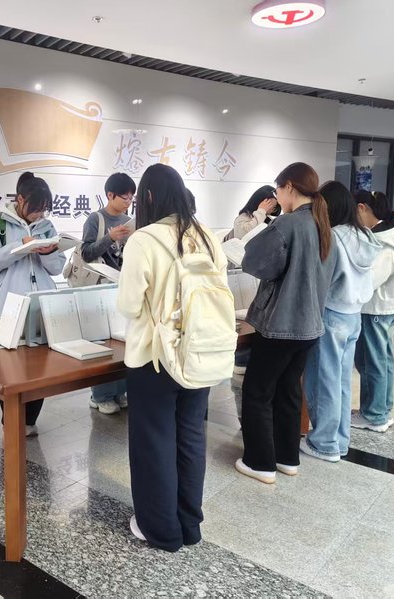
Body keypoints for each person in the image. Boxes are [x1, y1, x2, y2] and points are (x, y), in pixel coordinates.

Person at [117, 163, 228, 552]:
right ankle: (188, 526)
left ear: (148, 196)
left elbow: (129, 306)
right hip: (199, 351)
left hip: (155, 356)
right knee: (191, 436)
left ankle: (160, 530)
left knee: (154, 442)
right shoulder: (207, 235)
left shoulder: (143, 240)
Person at [235, 162, 335, 484]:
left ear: (289, 186)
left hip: (281, 324)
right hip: (310, 326)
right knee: (289, 391)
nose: (277, 196)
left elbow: (255, 262)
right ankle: (286, 457)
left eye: (278, 190)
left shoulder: (288, 224)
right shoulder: (323, 225)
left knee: (257, 392)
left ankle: (260, 463)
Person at [0, 172, 66, 436]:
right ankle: (11, 419)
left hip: (42, 305)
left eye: (44, 209)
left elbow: (57, 268)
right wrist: (19, 247)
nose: (39, 214)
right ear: (20, 199)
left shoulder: (46, 226)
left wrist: (48, 253)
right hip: (10, 305)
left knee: (40, 369)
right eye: (35, 208)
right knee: (8, 368)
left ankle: (29, 420)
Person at [301, 182, 380, 462]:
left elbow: (323, 279)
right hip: (354, 315)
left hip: (331, 313)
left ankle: (324, 443)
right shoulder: (364, 235)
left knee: (324, 380)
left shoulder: (333, 237)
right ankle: (340, 440)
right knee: (342, 381)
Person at [352, 191, 394, 432]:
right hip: (386, 306)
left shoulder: (384, 240)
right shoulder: (393, 232)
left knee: (372, 361)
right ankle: (382, 409)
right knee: (383, 359)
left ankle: (374, 414)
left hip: (376, 308)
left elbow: (370, 280)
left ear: (362, 207)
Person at [81, 172, 135, 414]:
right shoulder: (95, 219)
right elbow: (86, 253)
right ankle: (100, 395)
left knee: (122, 341)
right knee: (103, 343)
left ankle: (119, 391)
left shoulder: (129, 221)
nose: (128, 202)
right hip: (99, 288)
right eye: (124, 197)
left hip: (122, 287)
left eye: (131, 198)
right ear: (110, 195)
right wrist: (109, 238)